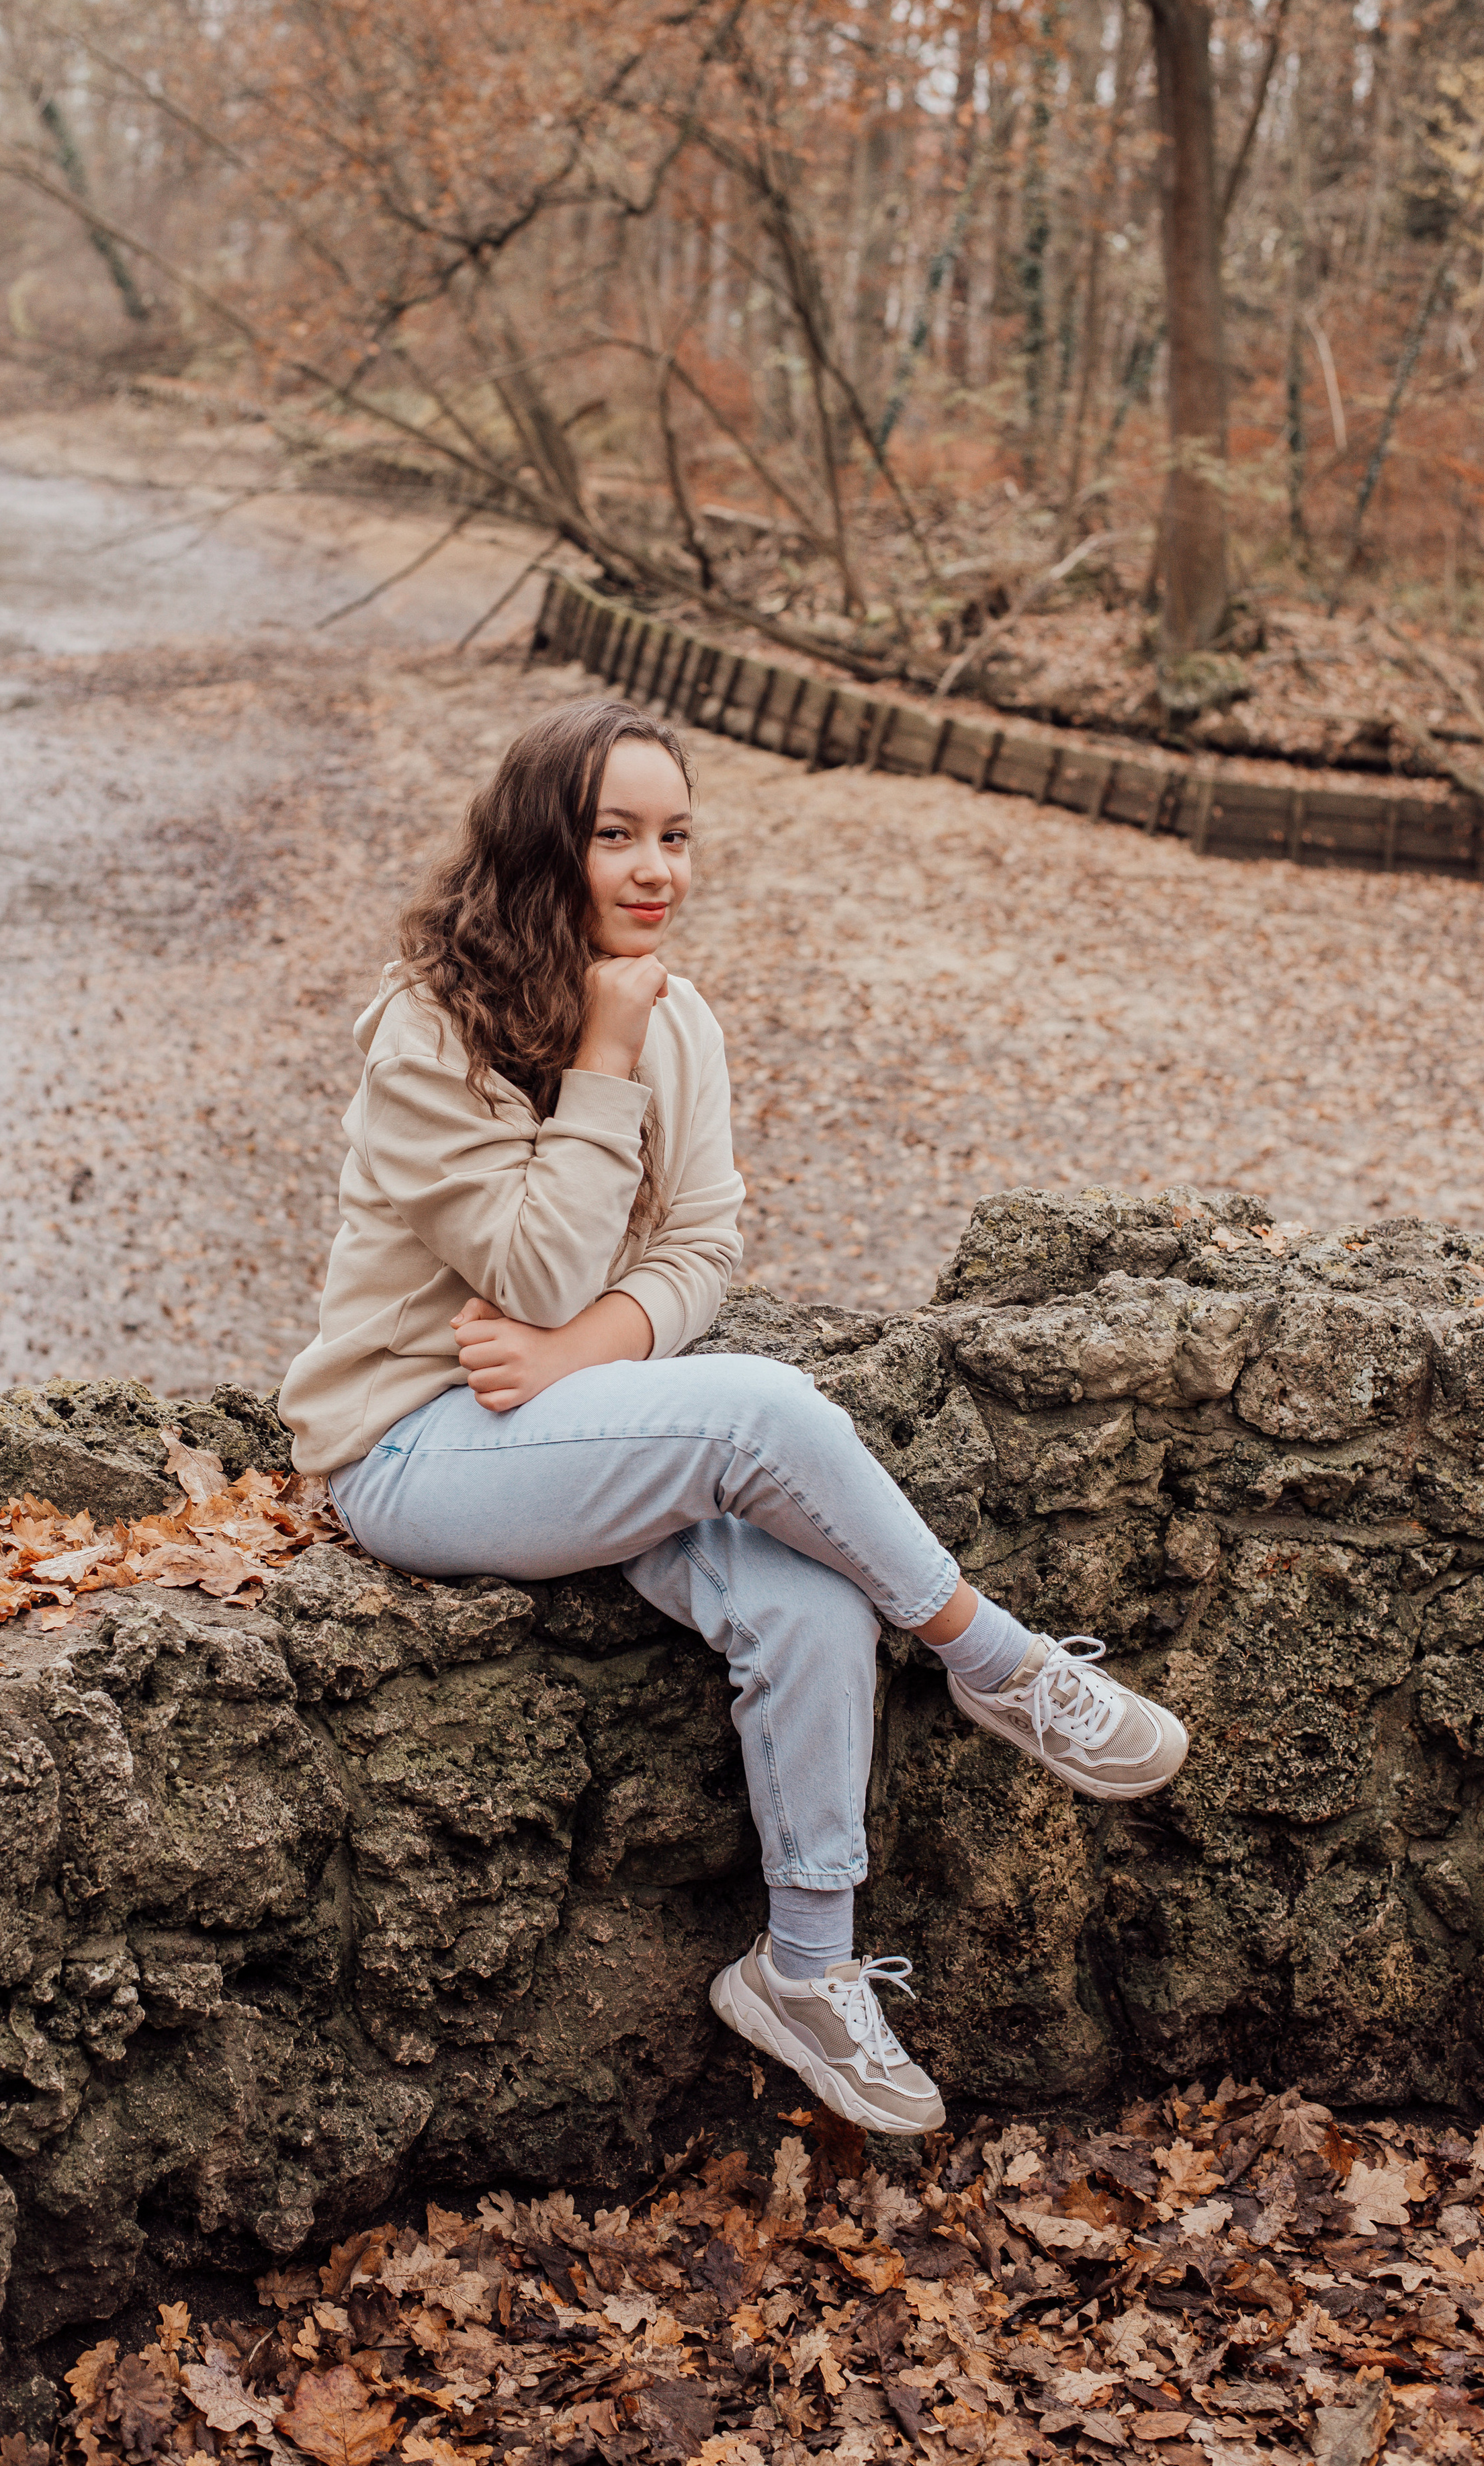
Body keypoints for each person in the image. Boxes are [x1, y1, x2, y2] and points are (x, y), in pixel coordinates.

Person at [280, 697, 1188, 2135]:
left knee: (809, 1605)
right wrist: (594, 1059)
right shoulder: (427, 1030)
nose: (656, 870)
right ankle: (992, 1658)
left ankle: (804, 1972)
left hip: (582, 1416)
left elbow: (700, 1248)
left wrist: (582, 1350)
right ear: (540, 848)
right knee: (762, 1410)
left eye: (676, 837)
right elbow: (526, 1261)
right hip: (413, 1445)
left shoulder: (671, 1012)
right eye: (615, 837)